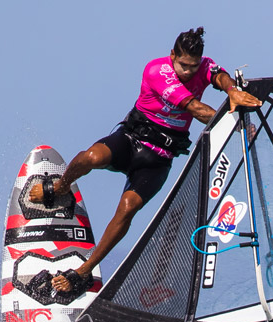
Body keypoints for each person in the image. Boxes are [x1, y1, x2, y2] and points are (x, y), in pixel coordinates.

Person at [31, 27, 261, 295]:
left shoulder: (203, 66)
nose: (188, 72)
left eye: (193, 66)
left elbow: (218, 75)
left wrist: (231, 89)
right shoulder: (157, 71)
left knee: (128, 208)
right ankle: (62, 186)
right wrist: (237, 123)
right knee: (91, 157)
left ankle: (84, 271)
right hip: (130, 140)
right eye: (183, 65)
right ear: (172, 55)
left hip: (159, 158)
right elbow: (196, 110)